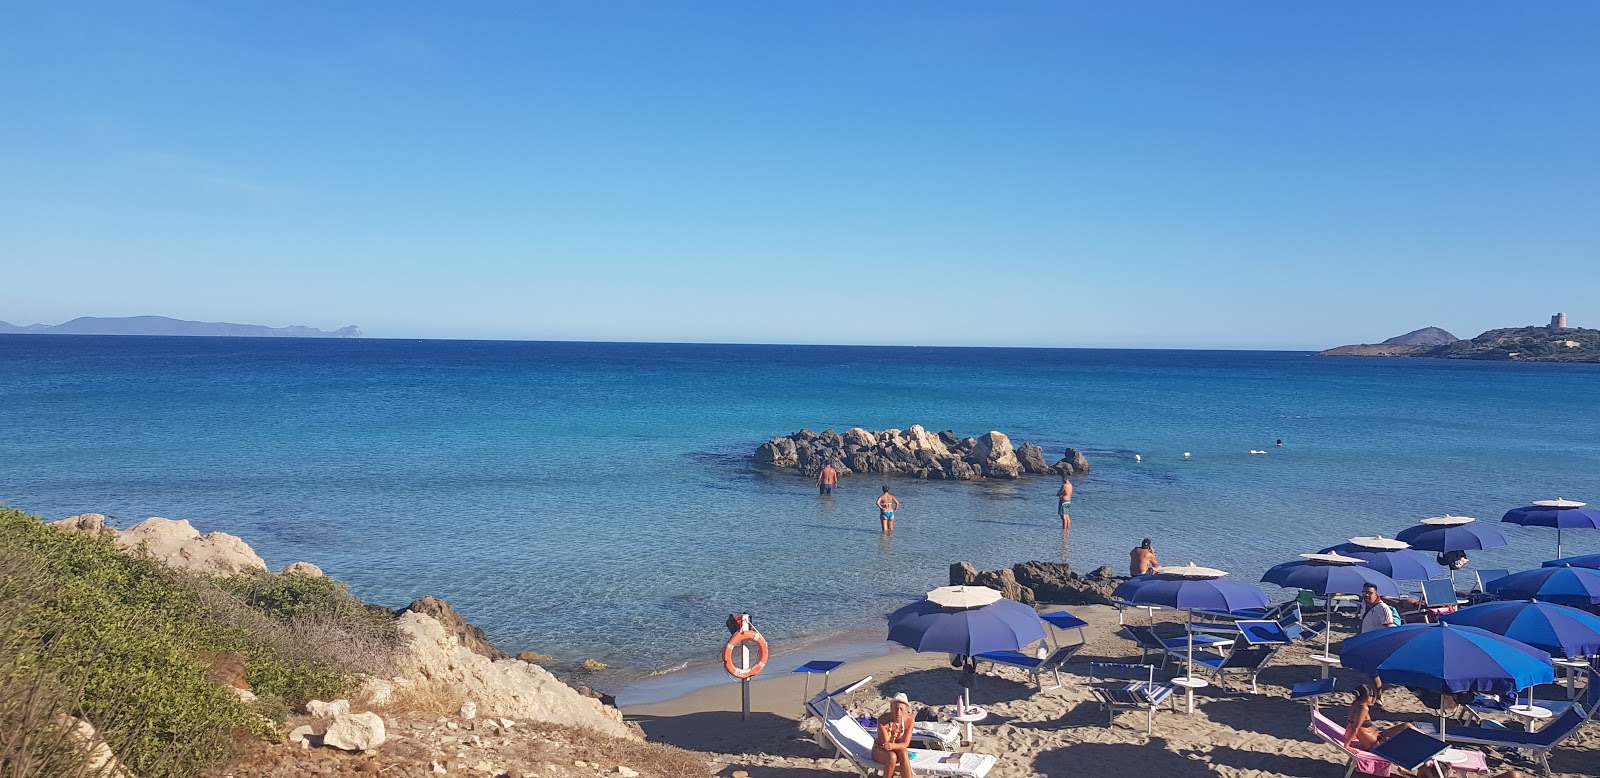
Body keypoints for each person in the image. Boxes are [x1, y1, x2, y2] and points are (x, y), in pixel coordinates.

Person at [1357, 582, 1398, 701]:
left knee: (1373, 673)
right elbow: (1362, 622)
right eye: (1365, 592)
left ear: (1376, 594)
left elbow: (1390, 630)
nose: (1367, 595)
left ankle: (1379, 697)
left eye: (1370, 593)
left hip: (1378, 645)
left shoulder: (1383, 608)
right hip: (1365, 642)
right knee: (1370, 673)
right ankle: (1375, 695)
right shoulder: (1364, 604)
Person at [872, 692, 914, 778]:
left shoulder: (909, 720)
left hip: (895, 748)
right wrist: (894, 744)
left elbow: (905, 744)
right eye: (896, 708)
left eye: (901, 709)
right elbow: (886, 745)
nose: (898, 712)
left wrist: (893, 744)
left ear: (906, 710)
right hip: (879, 749)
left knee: (904, 752)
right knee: (892, 757)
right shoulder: (882, 720)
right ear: (891, 708)